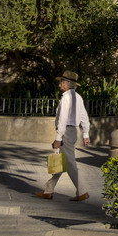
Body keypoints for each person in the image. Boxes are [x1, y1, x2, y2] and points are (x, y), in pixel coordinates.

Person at [34, 70, 92, 201]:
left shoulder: (66, 98)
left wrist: (58, 138)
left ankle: (82, 192)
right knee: (59, 162)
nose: (60, 85)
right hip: (73, 132)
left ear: (67, 84)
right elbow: (84, 117)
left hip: (66, 132)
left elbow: (63, 119)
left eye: (61, 82)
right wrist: (85, 133)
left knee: (70, 163)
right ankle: (48, 190)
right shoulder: (78, 97)